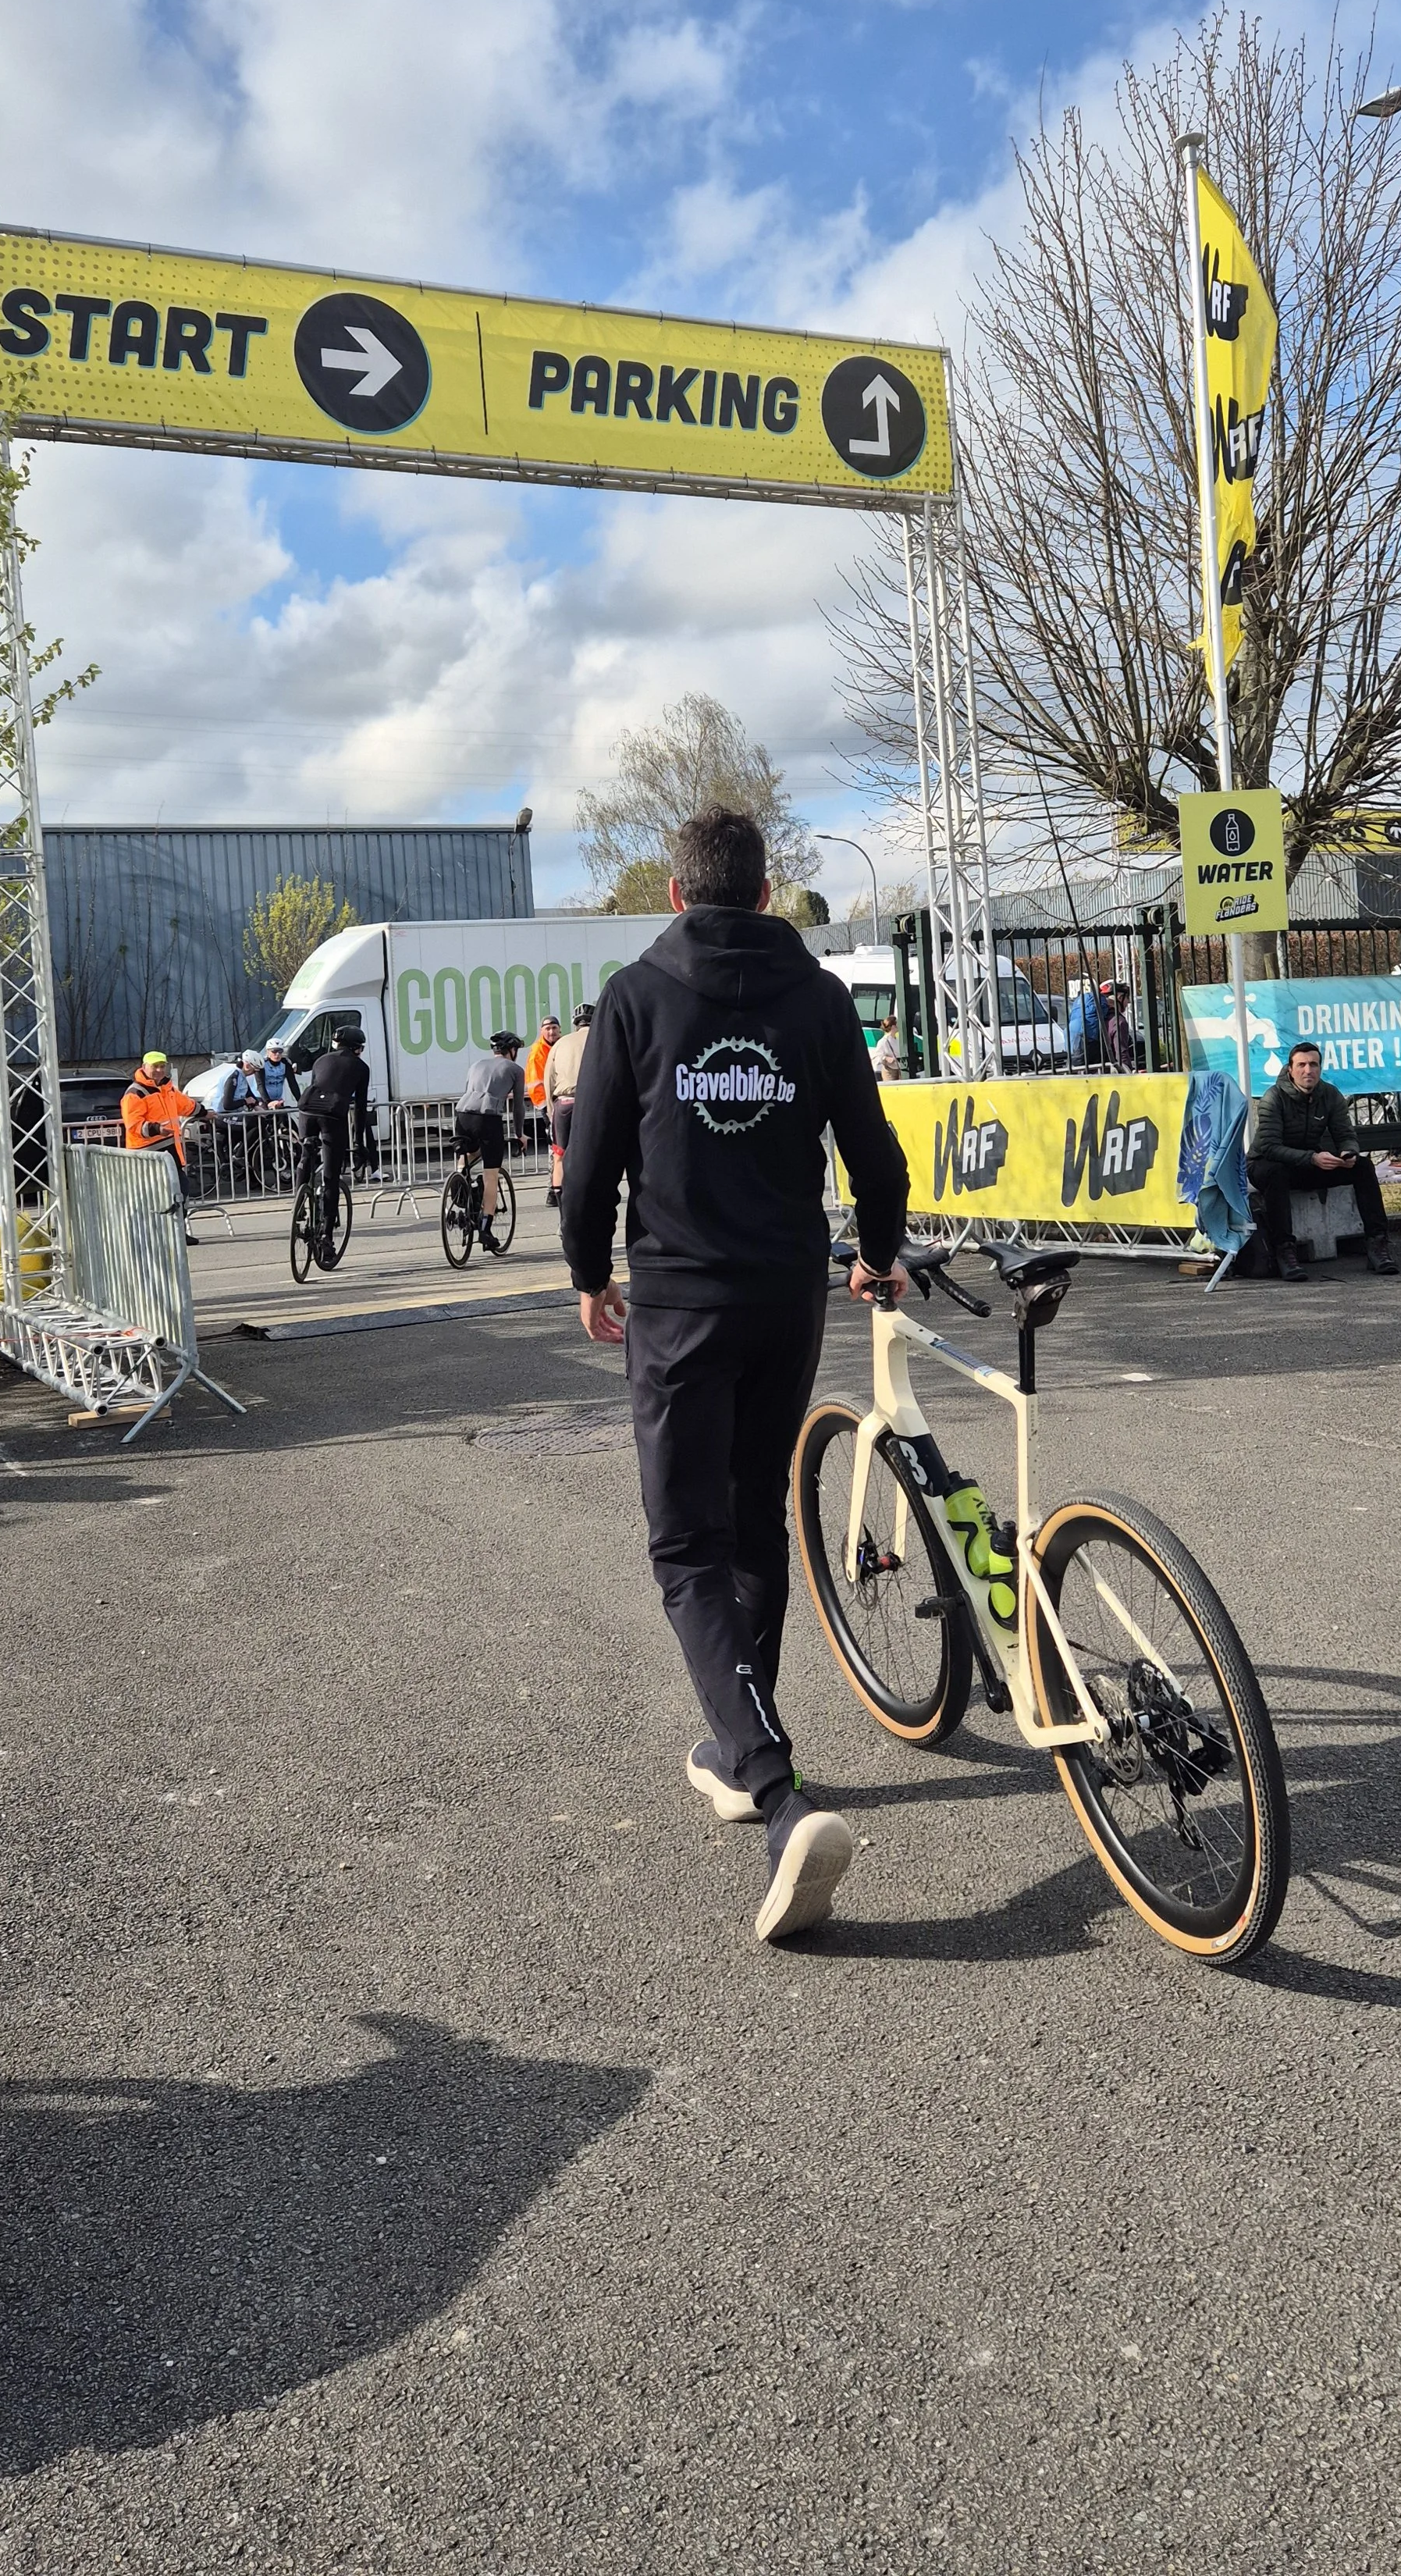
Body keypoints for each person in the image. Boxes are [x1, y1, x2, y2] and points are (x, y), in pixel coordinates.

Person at [560, 805, 911, 1948]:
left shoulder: (636, 996)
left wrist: (586, 1273)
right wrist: (874, 1252)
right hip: (786, 1293)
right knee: (757, 1517)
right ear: (767, 896)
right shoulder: (817, 1000)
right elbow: (875, 1151)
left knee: (684, 1544)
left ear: (676, 895)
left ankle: (774, 1790)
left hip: (680, 1300)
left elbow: (594, 1161)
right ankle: (739, 1743)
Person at [1249, 1040, 1399, 1279]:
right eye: (1302, 1065)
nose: (1308, 1070)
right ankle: (1285, 1252)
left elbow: (1346, 1135)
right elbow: (1269, 1147)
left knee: (1362, 1166)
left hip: (1310, 1162)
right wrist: (1312, 1158)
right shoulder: (1273, 1098)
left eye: (1314, 1064)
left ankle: (1377, 1245)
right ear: (1291, 1070)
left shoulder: (1330, 1094)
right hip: (1265, 1164)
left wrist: (1347, 1154)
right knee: (1276, 1173)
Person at [296, 1021, 377, 1236]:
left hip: (307, 1111)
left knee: (307, 1153)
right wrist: (359, 1143)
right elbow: (360, 1107)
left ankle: (299, 1202)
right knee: (331, 1176)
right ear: (356, 1048)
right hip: (332, 1115)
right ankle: (327, 1238)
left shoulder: (321, 1060)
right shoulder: (361, 1068)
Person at [454, 1030, 525, 1251]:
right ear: (512, 1051)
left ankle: (461, 1191)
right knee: (491, 1174)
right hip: (488, 1118)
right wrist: (519, 1134)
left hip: (463, 1116)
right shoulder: (515, 1069)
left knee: (467, 1156)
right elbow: (519, 1108)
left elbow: (467, 1091)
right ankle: (485, 1228)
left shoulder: (475, 1065)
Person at [121, 1051, 203, 1241]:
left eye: (162, 1066)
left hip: (170, 1149)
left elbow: (186, 1105)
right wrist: (158, 1129)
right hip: (148, 1153)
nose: (159, 1070)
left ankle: (178, 1233)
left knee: (180, 1191)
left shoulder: (167, 1088)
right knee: (152, 1196)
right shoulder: (135, 1093)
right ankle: (153, 1235)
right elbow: (134, 1125)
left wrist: (204, 1112)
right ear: (144, 1067)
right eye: (155, 1066)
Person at [543, 1003, 592, 1208]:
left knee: (560, 1156)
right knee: (596, 1154)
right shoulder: (602, 1039)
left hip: (564, 1104)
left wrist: (551, 1110)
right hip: (591, 1103)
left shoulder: (560, 1044)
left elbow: (548, 1081)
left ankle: (563, 1214)